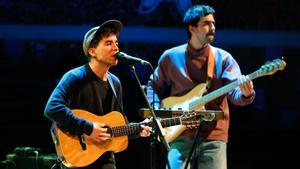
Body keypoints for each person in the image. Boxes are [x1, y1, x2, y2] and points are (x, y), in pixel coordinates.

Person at [146, 5, 255, 169]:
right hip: (179, 133)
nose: (213, 28)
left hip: (214, 136)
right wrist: (156, 113)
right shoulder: (170, 57)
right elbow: (152, 86)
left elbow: (236, 95)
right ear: (192, 28)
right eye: (206, 23)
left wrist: (246, 94)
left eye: (213, 23)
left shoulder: (224, 58)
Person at [44, 19, 152, 169]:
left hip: (105, 159)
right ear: (92, 51)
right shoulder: (75, 77)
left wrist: (137, 130)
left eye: (116, 43)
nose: (116, 48)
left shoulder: (115, 83)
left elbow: (117, 125)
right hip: (78, 157)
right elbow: (52, 108)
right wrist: (88, 128)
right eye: (108, 43)